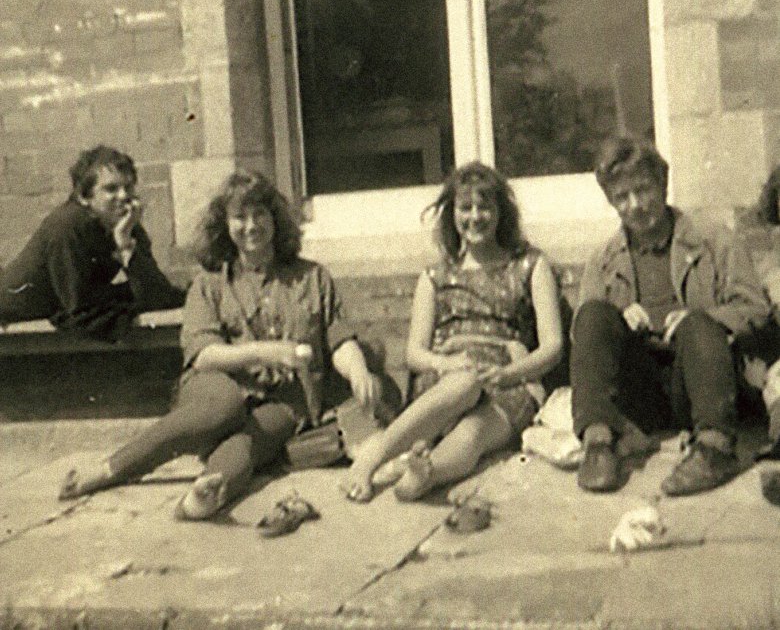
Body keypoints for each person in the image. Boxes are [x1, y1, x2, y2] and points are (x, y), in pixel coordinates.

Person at [59, 171, 379, 520]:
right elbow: (205, 355)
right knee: (224, 407)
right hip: (216, 389)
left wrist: (359, 370)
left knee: (253, 439)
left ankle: (208, 491)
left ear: (276, 219)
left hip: (282, 397)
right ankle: (110, 469)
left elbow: (338, 341)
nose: (252, 225)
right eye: (240, 217)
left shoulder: (313, 277)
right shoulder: (209, 285)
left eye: (260, 214)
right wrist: (266, 351)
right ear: (224, 226)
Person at [344, 162, 564, 502]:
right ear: (452, 215)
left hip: (509, 379)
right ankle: (372, 459)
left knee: (474, 433)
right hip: (445, 382)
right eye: (466, 207)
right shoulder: (435, 276)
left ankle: (427, 473)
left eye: (485, 206)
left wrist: (509, 373)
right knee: (464, 382)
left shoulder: (531, 265)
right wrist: (445, 365)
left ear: (501, 213)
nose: (475, 217)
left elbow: (553, 347)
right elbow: (414, 354)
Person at [572, 137, 770, 496]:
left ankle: (714, 449)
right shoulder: (603, 258)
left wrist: (706, 318)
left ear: (663, 184)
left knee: (697, 323)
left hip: (702, 381)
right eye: (621, 197)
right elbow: (586, 337)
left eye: (643, 190)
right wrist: (619, 317)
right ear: (611, 201)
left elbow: (755, 309)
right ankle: (599, 445)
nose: (635, 205)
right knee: (592, 313)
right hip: (642, 391)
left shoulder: (714, 241)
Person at [0, 145, 184, 340]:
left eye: (128, 187)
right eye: (111, 189)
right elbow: (79, 311)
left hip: (66, 305)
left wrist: (125, 245)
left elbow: (158, 294)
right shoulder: (67, 226)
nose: (123, 196)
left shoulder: (124, 224)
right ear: (84, 197)